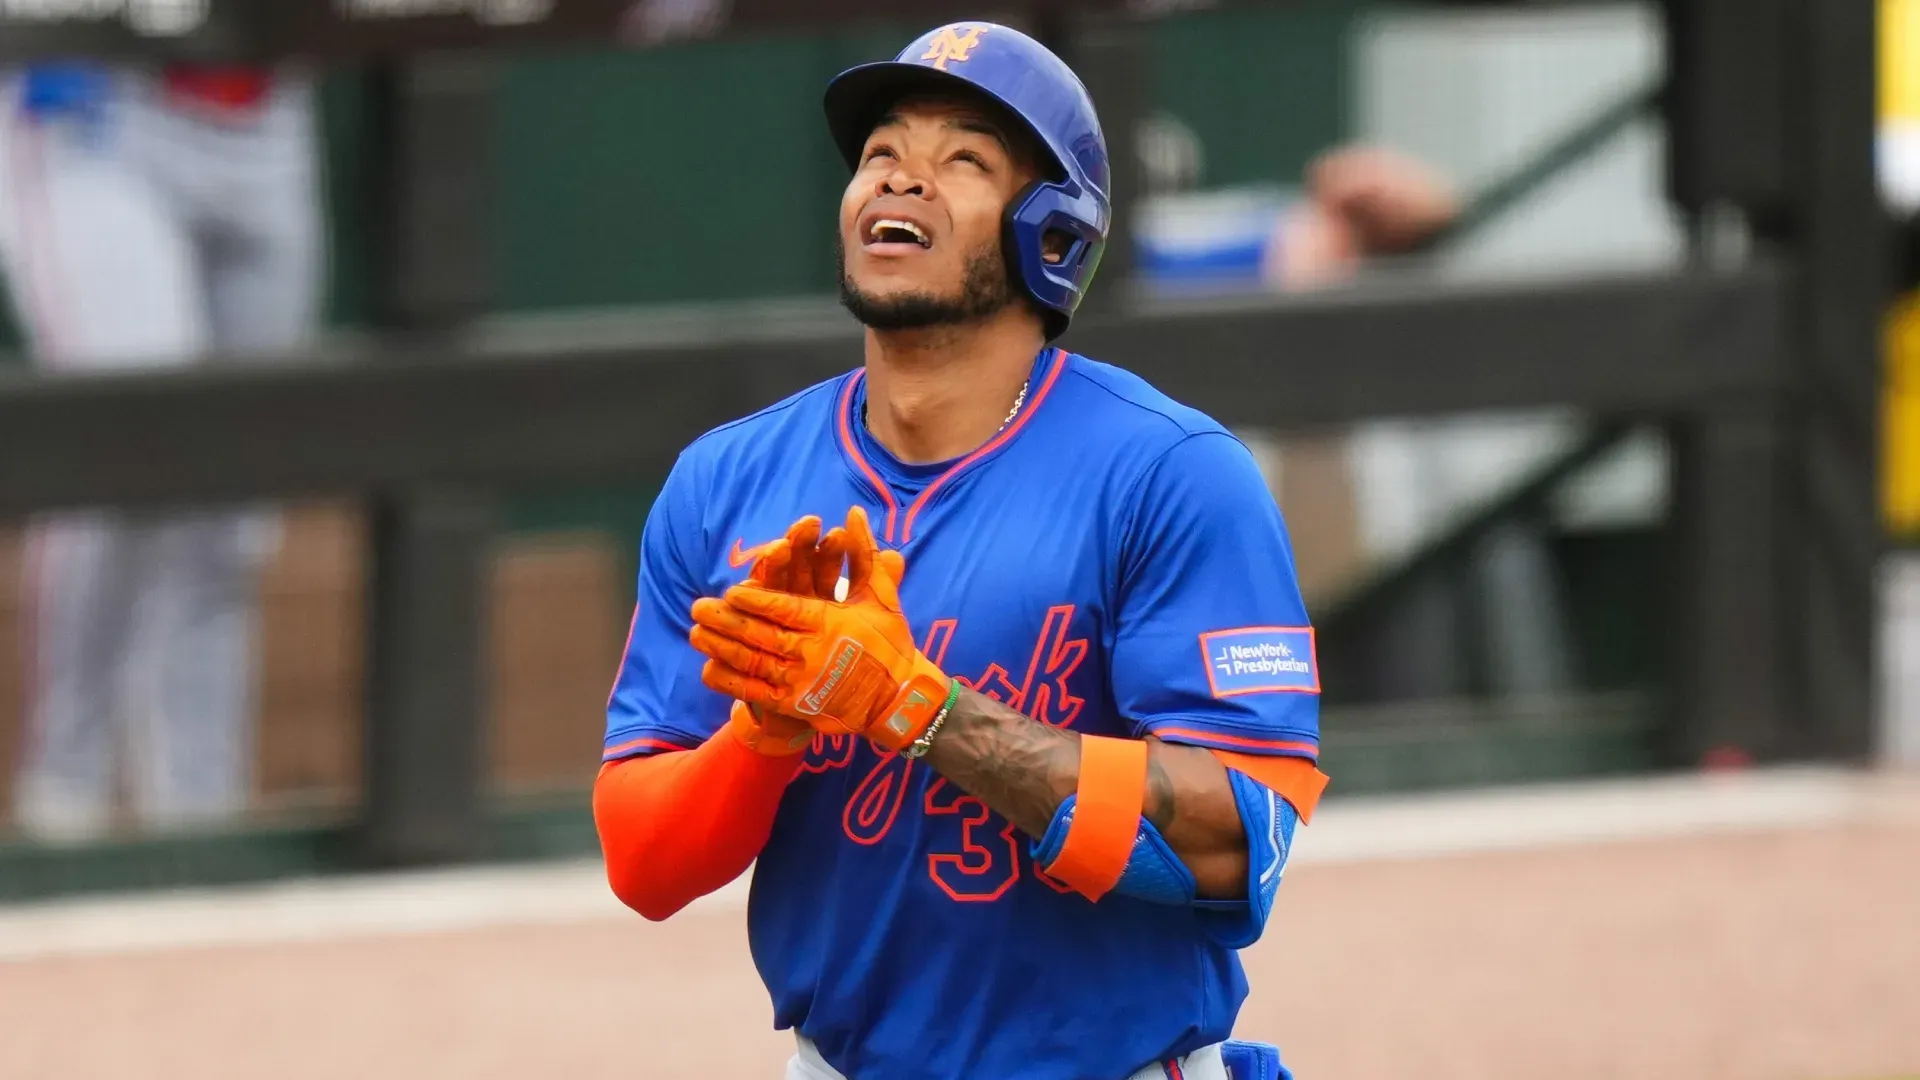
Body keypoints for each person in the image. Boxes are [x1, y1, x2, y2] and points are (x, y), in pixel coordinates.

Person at [593, 22, 1327, 1080]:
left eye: (963, 161)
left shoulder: (1170, 474)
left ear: (1053, 233)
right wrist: (768, 727)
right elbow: (644, 863)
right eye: (883, 153)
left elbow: (1238, 839)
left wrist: (923, 713)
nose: (903, 179)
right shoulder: (728, 482)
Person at [0, 62, 325, 841]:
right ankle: (64, 797)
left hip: (265, 104)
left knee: (232, 514)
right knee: (133, 458)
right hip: (99, 105)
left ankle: (198, 814)